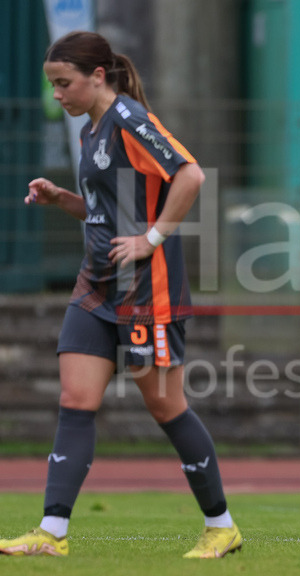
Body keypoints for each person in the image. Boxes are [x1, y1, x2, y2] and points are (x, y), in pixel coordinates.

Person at [0, 31, 241, 558]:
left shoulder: (130, 120)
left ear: (98, 77)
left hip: (145, 291)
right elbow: (107, 212)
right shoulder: (91, 132)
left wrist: (152, 238)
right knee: (75, 401)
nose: (57, 95)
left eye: (64, 84)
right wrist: (63, 197)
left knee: (164, 405)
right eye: (53, 86)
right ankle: (51, 533)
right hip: (95, 286)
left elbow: (191, 174)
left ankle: (221, 526)